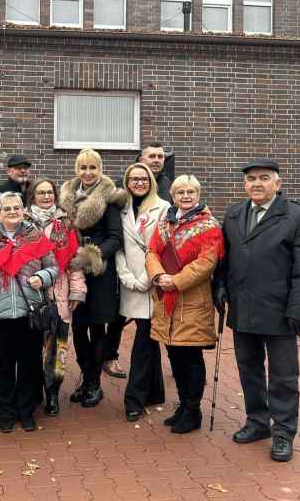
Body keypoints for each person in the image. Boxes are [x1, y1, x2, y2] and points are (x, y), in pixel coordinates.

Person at [213, 159, 300, 462]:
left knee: (284, 376)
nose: (256, 184)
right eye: (250, 179)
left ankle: (284, 431)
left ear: (278, 184)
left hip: (280, 311)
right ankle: (258, 422)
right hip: (242, 308)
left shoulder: (297, 216)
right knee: (250, 370)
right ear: (244, 185)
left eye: (263, 178)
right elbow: (225, 259)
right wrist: (219, 287)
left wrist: (298, 310)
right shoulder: (233, 214)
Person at [146, 175, 224, 434]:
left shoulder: (208, 225)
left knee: (190, 356)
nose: (186, 196)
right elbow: (152, 252)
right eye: (180, 192)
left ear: (198, 194)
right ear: (173, 195)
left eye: (191, 191)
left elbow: (207, 262)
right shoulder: (165, 222)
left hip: (191, 300)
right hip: (166, 300)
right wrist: (158, 276)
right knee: (174, 355)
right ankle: (182, 405)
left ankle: (193, 410)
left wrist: (175, 281)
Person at [0, 192, 58, 433]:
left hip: (29, 312)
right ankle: (5, 413)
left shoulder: (35, 236)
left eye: (16, 207)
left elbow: (54, 267)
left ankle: (26, 412)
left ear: (23, 209)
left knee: (29, 365)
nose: (12, 212)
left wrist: (41, 277)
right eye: (7, 208)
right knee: (1, 368)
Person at [103, 142, 175, 378]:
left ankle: (163, 371)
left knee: (152, 324)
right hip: (127, 269)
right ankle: (110, 356)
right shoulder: (122, 192)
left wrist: (151, 272)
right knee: (118, 318)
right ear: (140, 159)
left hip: (153, 270)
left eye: (160, 157)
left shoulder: (168, 188)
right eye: (151, 156)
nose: (157, 160)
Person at [60, 148, 124, 408]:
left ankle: (94, 384)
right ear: (77, 170)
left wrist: (91, 256)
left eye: (92, 168)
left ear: (100, 169)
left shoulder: (108, 198)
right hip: (72, 271)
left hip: (98, 273)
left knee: (97, 328)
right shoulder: (66, 197)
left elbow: (115, 238)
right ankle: (87, 380)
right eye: (83, 168)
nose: (87, 173)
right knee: (77, 329)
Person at [25, 178, 86, 417]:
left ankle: (52, 392)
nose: (46, 196)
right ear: (32, 196)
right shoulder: (22, 221)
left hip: (59, 292)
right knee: (30, 347)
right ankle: (33, 391)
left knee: (57, 348)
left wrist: (77, 290)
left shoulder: (66, 224)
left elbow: (75, 260)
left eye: (50, 192)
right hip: (30, 294)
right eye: (41, 193)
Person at [115, 163, 168, 422]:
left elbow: (164, 246)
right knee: (148, 338)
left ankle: (133, 398)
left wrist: (148, 277)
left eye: (143, 179)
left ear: (151, 181)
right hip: (130, 282)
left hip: (152, 281)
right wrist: (126, 276)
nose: (138, 183)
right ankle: (155, 391)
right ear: (126, 182)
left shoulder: (164, 207)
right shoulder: (120, 208)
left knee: (144, 341)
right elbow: (117, 245)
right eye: (133, 179)